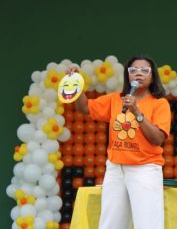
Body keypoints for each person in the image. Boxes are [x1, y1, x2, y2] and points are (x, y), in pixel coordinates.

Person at [68, 56, 171, 229]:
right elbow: (84, 108)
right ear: (127, 75)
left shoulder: (159, 104)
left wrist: (136, 111)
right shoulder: (115, 99)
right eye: (133, 70)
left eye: (144, 70)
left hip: (144, 169)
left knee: (148, 224)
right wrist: (75, 84)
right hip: (115, 169)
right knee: (110, 223)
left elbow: (157, 139)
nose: (138, 73)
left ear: (153, 76)